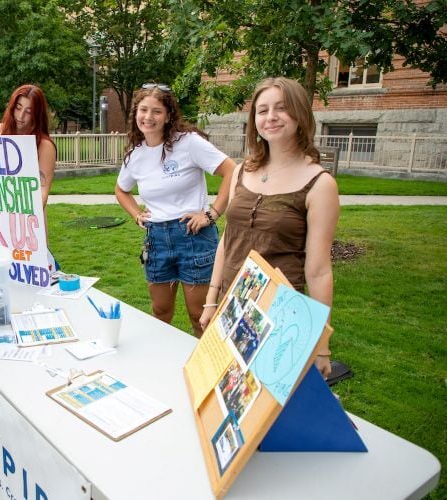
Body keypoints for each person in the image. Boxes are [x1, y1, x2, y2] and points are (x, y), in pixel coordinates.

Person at [199, 77, 339, 378]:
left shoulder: (319, 183)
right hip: (231, 305)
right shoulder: (241, 172)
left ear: (300, 115)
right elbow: (228, 239)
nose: (270, 117)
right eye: (262, 111)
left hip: (280, 316)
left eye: (281, 108)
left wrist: (322, 343)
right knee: (223, 398)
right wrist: (212, 299)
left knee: (266, 408)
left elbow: (319, 271)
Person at [115, 83, 236, 337]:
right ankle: (162, 366)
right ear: (135, 113)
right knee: (160, 312)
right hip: (156, 240)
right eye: (143, 110)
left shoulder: (188, 143)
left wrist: (211, 213)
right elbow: (121, 190)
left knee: (199, 314)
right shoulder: (134, 155)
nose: (148, 117)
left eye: (156, 111)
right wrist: (137, 213)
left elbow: (231, 171)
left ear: (168, 115)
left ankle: (209, 370)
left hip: (194, 237)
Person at [0, 84, 56, 207]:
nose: (21, 116)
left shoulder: (45, 146)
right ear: (12, 107)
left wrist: (28, 213)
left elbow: (42, 191)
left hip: (28, 217)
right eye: (18, 108)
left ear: (37, 115)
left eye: (28, 112)